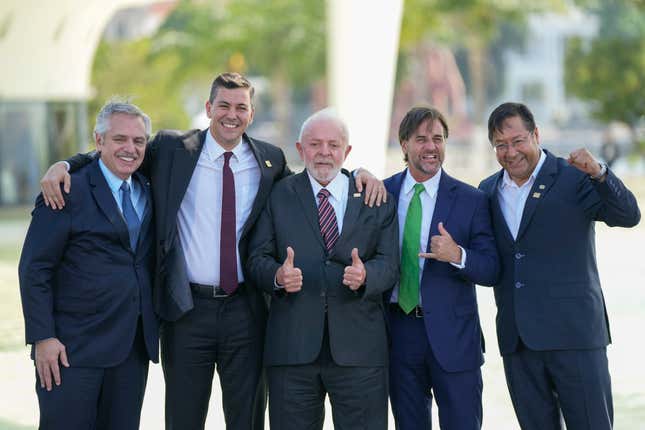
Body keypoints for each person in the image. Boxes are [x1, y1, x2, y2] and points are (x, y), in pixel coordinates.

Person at [39, 72, 386, 430]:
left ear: (251, 114)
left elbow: (316, 174)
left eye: (241, 107)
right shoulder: (173, 149)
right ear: (208, 108)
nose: (231, 114)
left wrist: (358, 171)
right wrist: (65, 164)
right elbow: (121, 150)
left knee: (247, 419)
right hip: (187, 311)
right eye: (223, 105)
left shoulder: (270, 161)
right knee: (184, 418)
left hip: (246, 311)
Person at [478, 102, 641, 430]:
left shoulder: (575, 177)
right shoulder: (487, 191)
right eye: (500, 145)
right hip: (518, 343)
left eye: (518, 140)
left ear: (536, 134)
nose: (510, 152)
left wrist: (600, 172)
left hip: (575, 338)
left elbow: (628, 215)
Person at [245, 109, 399, 430]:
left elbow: (389, 265)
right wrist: (277, 276)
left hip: (360, 354)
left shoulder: (376, 198)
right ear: (300, 150)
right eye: (315, 144)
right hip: (292, 351)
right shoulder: (277, 196)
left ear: (348, 151)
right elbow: (256, 259)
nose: (325, 153)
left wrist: (366, 276)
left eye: (333, 144)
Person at [19, 100, 159, 429]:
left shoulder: (147, 186)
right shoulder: (66, 190)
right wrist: (43, 338)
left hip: (131, 350)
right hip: (71, 351)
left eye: (138, 141)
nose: (130, 148)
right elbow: (34, 268)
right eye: (119, 139)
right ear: (99, 141)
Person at [383, 106, 499, 429]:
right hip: (400, 333)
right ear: (404, 144)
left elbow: (491, 269)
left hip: (455, 339)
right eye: (421, 139)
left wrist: (458, 254)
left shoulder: (471, 199)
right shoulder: (382, 193)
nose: (431, 147)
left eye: (438, 138)